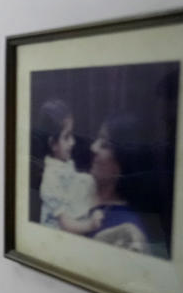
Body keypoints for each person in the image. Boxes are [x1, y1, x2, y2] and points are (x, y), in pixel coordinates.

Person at [85, 112, 170, 258]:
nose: (93, 147)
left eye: (104, 144)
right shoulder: (77, 185)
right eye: (97, 139)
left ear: (122, 162)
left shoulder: (126, 228)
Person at [32, 99, 102, 235]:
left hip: (71, 216)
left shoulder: (64, 163)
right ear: (53, 144)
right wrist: (90, 225)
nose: (73, 142)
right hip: (57, 234)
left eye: (72, 135)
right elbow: (65, 224)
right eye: (67, 137)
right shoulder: (50, 180)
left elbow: (73, 183)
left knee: (88, 180)